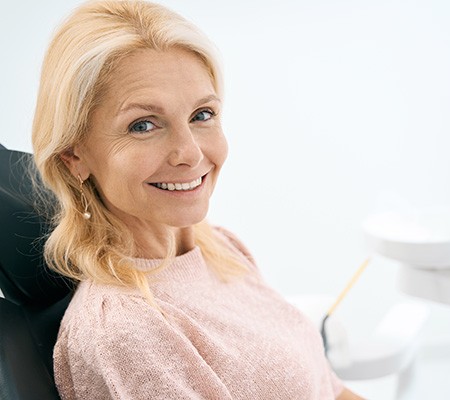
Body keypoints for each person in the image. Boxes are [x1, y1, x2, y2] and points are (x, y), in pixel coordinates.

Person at [32, 1, 363, 399]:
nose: (189, 152)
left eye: (202, 115)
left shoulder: (221, 249)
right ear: (74, 156)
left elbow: (330, 389)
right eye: (143, 125)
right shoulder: (126, 330)